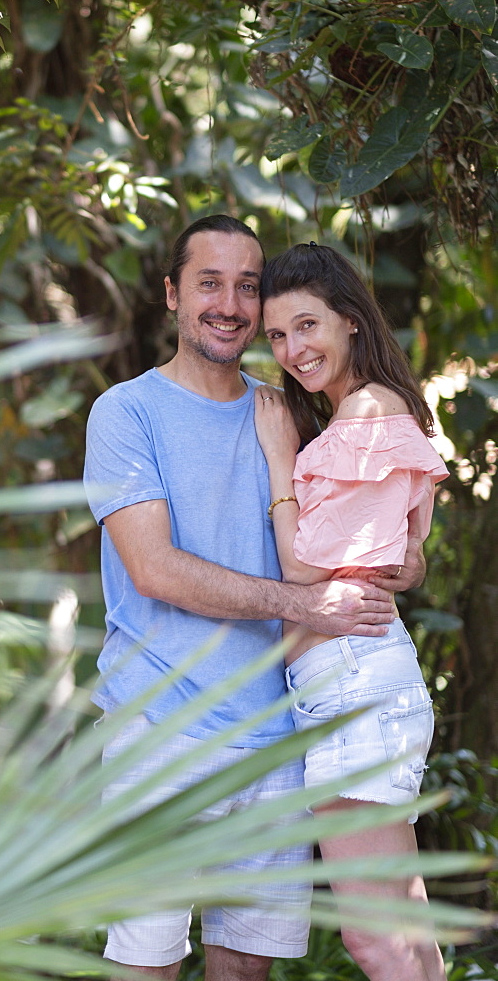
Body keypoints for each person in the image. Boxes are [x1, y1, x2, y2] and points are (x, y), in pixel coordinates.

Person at [83, 216, 421, 981]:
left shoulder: (291, 409)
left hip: (278, 737)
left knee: (247, 968)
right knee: (148, 964)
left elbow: (366, 507)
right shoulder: (125, 413)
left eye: (246, 286)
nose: (230, 304)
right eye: (209, 282)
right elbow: (156, 569)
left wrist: (408, 551)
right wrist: (308, 606)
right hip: (160, 735)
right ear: (173, 294)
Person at [254, 242, 449, 981]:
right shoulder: (349, 419)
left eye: (308, 326)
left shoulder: (367, 412)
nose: (293, 350)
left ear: (351, 322)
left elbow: (306, 566)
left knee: (376, 940)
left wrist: (279, 460)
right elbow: (396, 553)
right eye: (277, 335)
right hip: (348, 677)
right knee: (405, 935)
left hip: (353, 679)